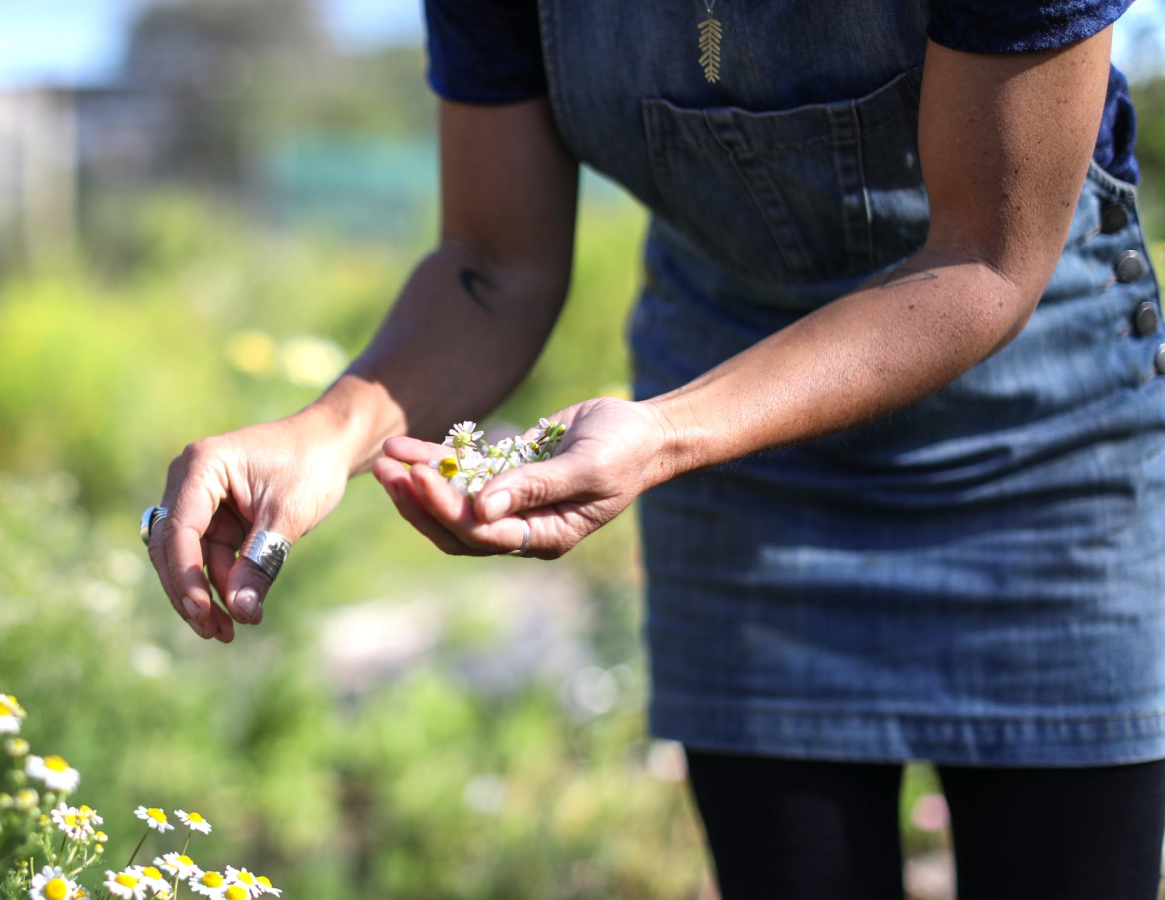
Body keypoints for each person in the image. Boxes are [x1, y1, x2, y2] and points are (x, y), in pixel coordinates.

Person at [145, 1, 1165, 895]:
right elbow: (495, 263)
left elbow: (984, 257)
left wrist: (668, 433)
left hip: (1040, 439)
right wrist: (327, 432)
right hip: (739, 456)